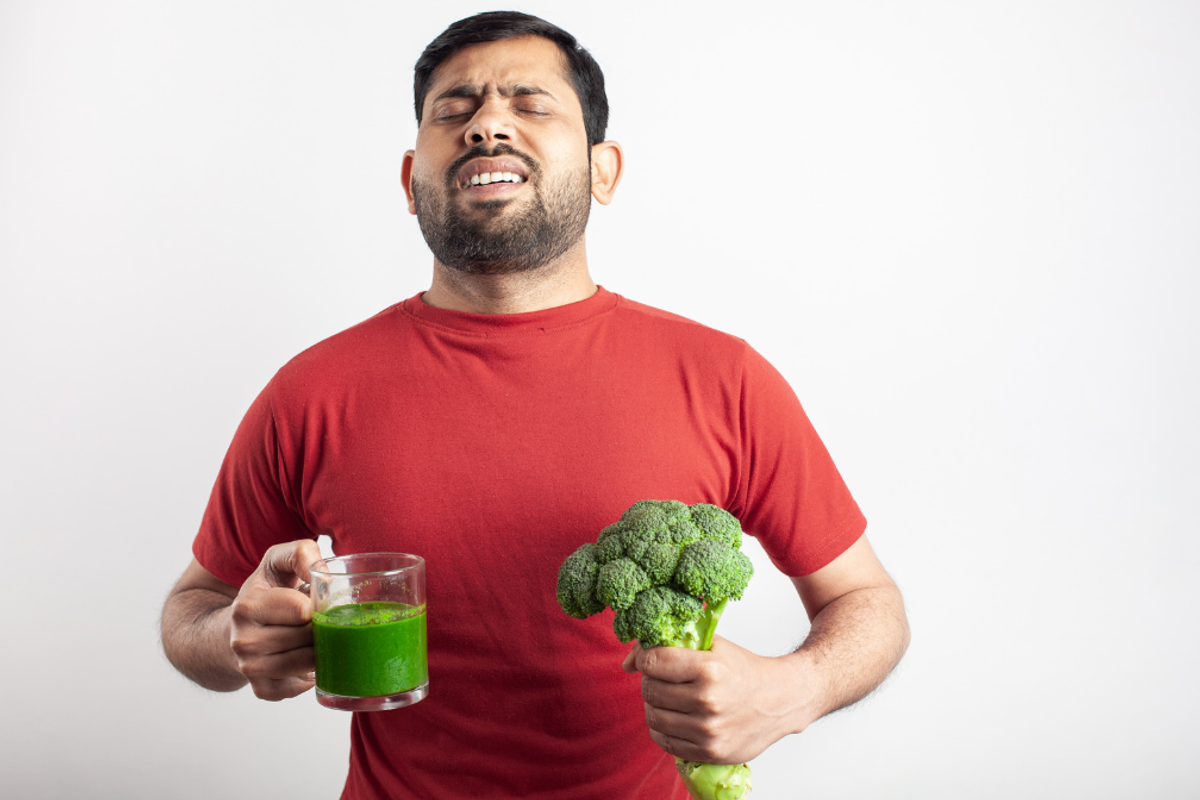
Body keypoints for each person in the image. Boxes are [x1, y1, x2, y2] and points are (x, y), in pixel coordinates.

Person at [161, 11, 910, 800]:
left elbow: (868, 602)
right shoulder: (311, 391)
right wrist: (233, 635)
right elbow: (191, 613)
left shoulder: (723, 377)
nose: (487, 123)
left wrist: (793, 690)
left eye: (530, 103)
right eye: (455, 109)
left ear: (604, 170)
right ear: (411, 180)